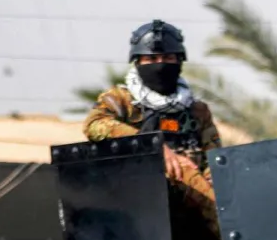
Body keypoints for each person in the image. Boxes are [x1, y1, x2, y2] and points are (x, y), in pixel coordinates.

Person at [83, 19, 221, 226]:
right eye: (151, 58)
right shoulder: (120, 100)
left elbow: (214, 155)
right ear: (138, 62)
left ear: (179, 61)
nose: (160, 64)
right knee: (180, 170)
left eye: (167, 57)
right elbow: (93, 125)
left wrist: (214, 180)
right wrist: (155, 147)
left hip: (193, 194)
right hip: (136, 189)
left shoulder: (196, 110)